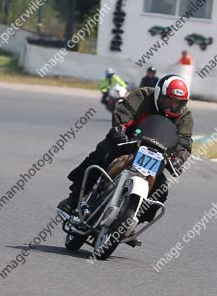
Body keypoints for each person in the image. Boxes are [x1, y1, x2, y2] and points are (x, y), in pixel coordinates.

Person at [58, 74, 193, 226]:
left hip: (156, 156)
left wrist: (179, 159)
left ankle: (132, 221)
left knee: (161, 189)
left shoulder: (185, 115)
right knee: (102, 155)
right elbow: (125, 110)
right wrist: (119, 128)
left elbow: (184, 141)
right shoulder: (142, 95)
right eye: (169, 100)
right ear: (158, 94)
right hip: (127, 143)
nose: (172, 106)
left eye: (178, 103)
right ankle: (74, 199)